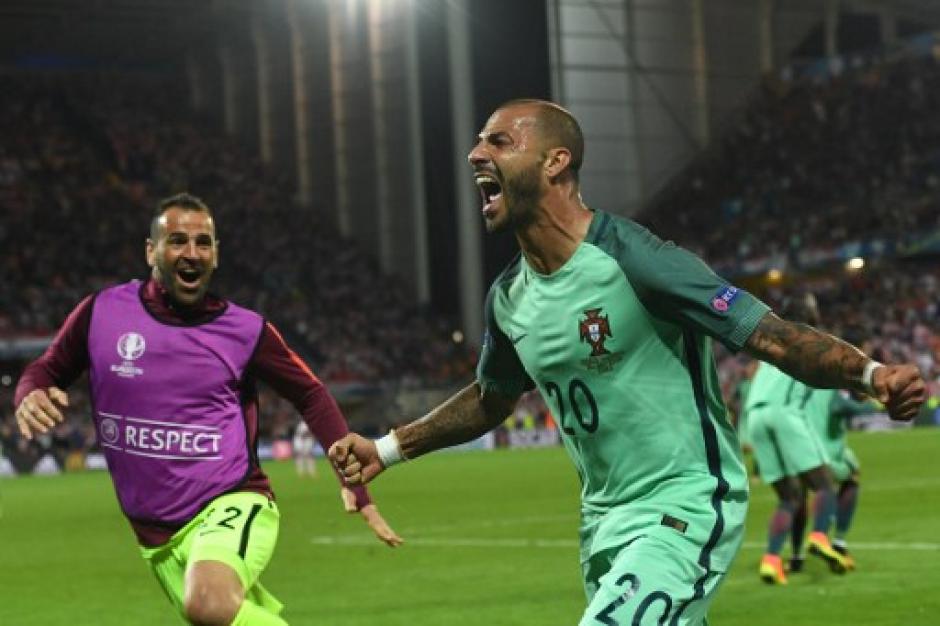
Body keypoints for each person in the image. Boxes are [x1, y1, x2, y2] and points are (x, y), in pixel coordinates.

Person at [328, 99, 925, 624]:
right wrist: (383, 450)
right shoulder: (509, 298)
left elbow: (767, 335)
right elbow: (492, 397)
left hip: (685, 508)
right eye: (480, 140)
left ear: (555, 161)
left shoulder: (637, 260)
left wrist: (871, 376)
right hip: (603, 527)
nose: (475, 152)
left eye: (499, 141)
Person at [14, 193, 402, 626]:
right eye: (177, 241)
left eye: (204, 243)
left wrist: (354, 482)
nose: (192, 253)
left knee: (208, 603)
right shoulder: (101, 314)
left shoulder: (244, 331)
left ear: (216, 254)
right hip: (155, 539)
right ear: (151, 251)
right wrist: (29, 392)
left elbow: (310, 393)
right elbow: (46, 369)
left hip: (231, 503)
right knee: (216, 612)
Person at [744, 293, 853, 584]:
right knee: (824, 485)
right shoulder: (810, 339)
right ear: (809, 313)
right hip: (784, 412)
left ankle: (773, 560)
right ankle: (819, 536)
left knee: (790, 497)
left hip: (755, 417)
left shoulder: (770, 339)